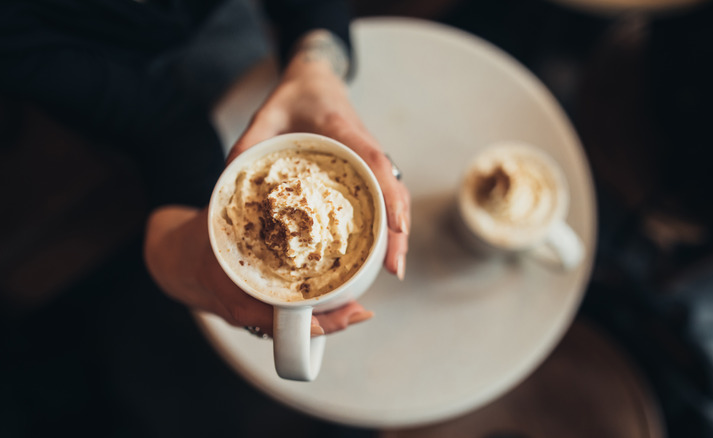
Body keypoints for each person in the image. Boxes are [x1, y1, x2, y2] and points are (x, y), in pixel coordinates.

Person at [0, 0, 410, 337]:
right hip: (83, 57)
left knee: (240, 64)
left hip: (218, 16)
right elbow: (160, 126)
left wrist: (316, 62)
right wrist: (181, 242)